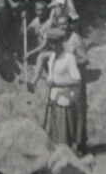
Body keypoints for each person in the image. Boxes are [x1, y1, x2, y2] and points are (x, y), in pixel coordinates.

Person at [34, 25, 87, 153]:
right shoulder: (52, 57)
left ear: (59, 43)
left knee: (64, 141)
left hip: (65, 102)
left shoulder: (69, 58)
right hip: (54, 101)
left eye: (52, 44)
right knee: (54, 139)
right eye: (49, 44)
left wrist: (58, 83)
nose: (50, 47)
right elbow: (52, 77)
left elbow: (77, 80)